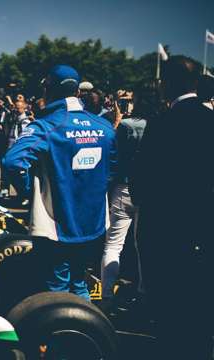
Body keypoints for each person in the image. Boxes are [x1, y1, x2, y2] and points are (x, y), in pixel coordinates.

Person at [3, 65, 117, 300]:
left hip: (58, 223)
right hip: (93, 221)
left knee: (57, 286)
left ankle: (59, 334)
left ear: (50, 89)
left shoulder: (46, 126)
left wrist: (28, 191)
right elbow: (114, 168)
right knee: (80, 282)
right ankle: (83, 332)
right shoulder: (105, 127)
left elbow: (13, 162)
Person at [133, 56, 213, 358]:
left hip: (164, 227)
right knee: (201, 301)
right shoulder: (210, 120)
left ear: (169, 82)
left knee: (167, 306)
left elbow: (141, 179)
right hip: (204, 226)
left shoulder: (163, 122)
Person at [100, 90, 150, 309]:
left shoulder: (126, 125)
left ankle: (107, 293)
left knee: (113, 244)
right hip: (149, 189)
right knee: (144, 245)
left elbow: (114, 154)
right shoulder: (158, 124)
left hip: (124, 186)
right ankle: (143, 292)